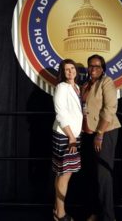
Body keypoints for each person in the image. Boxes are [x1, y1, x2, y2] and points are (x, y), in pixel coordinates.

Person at [81, 54, 121, 221]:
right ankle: (95, 212)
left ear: (103, 68)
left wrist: (100, 134)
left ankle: (109, 217)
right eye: (90, 66)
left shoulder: (107, 82)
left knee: (103, 176)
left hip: (104, 132)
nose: (93, 69)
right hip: (87, 134)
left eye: (97, 66)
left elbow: (110, 108)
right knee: (91, 175)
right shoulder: (85, 85)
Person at [52, 59, 83, 221]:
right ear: (62, 73)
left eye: (72, 68)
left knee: (61, 173)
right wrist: (71, 137)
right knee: (65, 174)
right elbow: (61, 114)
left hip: (74, 135)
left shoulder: (77, 88)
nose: (70, 72)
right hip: (65, 135)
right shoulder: (61, 87)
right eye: (66, 69)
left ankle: (57, 211)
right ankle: (61, 214)